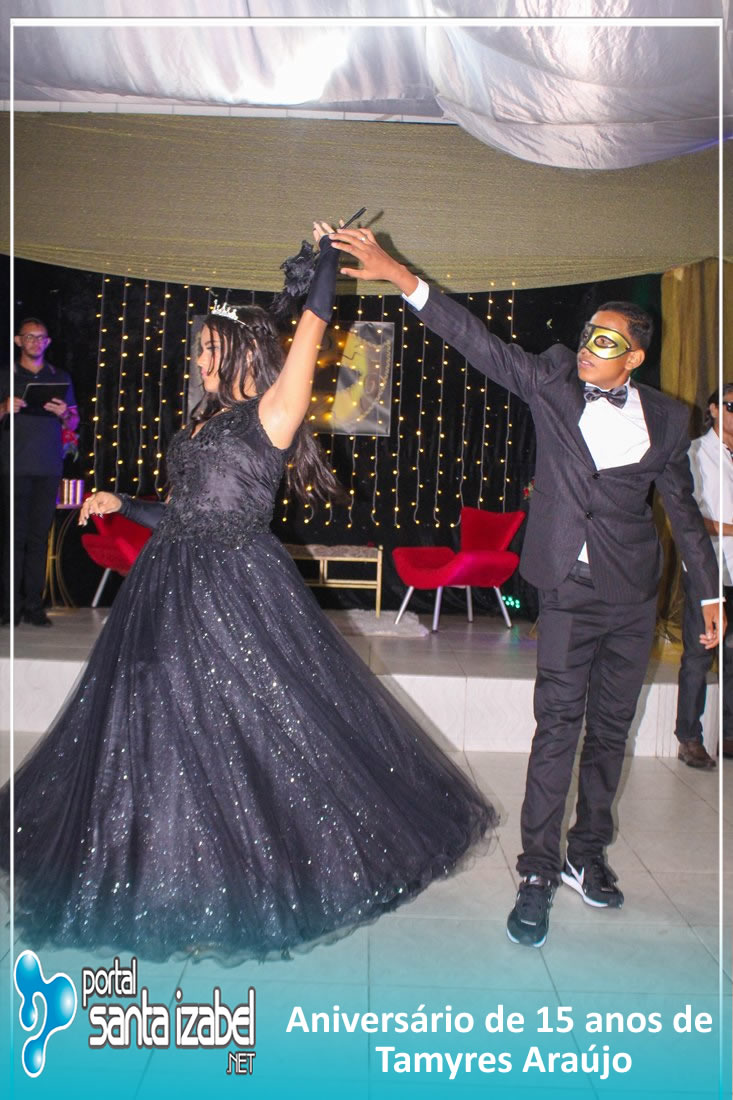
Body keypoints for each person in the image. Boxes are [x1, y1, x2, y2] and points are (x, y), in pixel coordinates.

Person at [0, 221, 494, 963]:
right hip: (167, 583)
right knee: (155, 717)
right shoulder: (202, 422)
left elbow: (313, 324)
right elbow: (184, 513)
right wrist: (121, 502)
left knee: (252, 723)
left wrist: (326, 260)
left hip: (234, 585)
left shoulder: (274, 411)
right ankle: (159, 866)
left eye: (207, 348)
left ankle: (235, 873)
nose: (197, 360)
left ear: (236, 350)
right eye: (197, 350)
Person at [330, 224, 722, 949]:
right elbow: (475, 340)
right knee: (558, 728)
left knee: (611, 732)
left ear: (634, 356)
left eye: (605, 340)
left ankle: (585, 854)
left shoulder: (670, 419)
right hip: (567, 590)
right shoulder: (550, 381)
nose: (588, 346)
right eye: (587, 334)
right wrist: (398, 275)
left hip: (632, 595)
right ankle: (536, 871)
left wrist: (708, 595)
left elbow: (683, 512)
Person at [0, 317, 79, 626]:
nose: (36, 342)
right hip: (12, 467)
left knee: (38, 539)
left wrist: (64, 414)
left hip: (47, 468)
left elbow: (74, 421)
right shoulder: (5, 375)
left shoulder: (59, 376)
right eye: (29, 337)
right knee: (12, 539)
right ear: (18, 341)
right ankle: (9, 607)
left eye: (41, 337)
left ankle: (34, 606)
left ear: (48, 342)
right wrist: (4, 407)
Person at [675, 384, 733, 766]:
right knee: (699, 654)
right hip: (706, 568)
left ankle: (728, 734)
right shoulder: (695, 452)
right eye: (730, 406)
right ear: (713, 409)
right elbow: (689, 519)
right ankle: (689, 738)